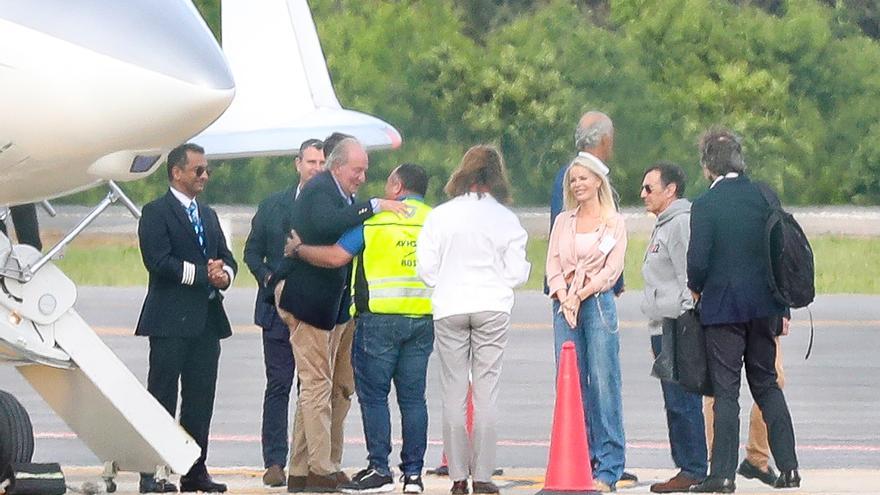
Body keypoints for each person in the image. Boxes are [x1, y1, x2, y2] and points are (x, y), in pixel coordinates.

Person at [286, 164, 433, 494]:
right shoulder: (434, 221)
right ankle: (414, 475)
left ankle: (379, 468)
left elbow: (337, 256)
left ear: (395, 185)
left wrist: (299, 250)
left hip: (378, 318)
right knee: (413, 399)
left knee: (374, 397)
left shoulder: (376, 220)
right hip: (422, 318)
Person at [687, 128, 799, 493]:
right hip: (765, 306)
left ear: (707, 167)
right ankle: (790, 468)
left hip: (723, 310)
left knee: (726, 392)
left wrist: (697, 288)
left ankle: (721, 475)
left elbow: (698, 264)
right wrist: (782, 305)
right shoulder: (765, 196)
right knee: (766, 385)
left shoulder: (705, 205)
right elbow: (780, 252)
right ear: (740, 160)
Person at [417, 145, 530, 495]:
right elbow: (516, 273)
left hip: (450, 305)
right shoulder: (506, 219)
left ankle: (457, 477)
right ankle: (482, 476)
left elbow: (426, 269)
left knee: (453, 392)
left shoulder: (441, 216)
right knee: (485, 392)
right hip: (491, 305)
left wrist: (447, 282)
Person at [135, 143, 236, 493]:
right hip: (169, 320)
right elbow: (158, 262)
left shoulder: (207, 215)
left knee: (200, 398)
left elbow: (225, 258)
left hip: (206, 321)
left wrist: (224, 276)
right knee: (161, 396)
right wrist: (201, 274)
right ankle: (154, 472)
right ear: (176, 172)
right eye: (198, 170)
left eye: (206, 170)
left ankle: (194, 469)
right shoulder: (155, 212)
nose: (204, 175)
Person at [243, 138, 325, 486]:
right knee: (279, 384)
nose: (316, 169)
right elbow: (251, 252)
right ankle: (274, 461)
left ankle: (303, 463)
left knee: (312, 389)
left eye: (322, 163)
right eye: (311, 162)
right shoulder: (273, 205)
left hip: (316, 311)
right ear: (298, 163)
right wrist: (268, 281)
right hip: (276, 311)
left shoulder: (330, 208)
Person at [545, 153, 627, 493]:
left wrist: (583, 293)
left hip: (597, 301)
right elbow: (551, 262)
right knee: (572, 381)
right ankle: (583, 455)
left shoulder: (613, 222)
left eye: (583, 178)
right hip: (564, 303)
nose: (578, 184)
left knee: (604, 379)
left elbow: (612, 269)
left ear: (597, 182)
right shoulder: (563, 221)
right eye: (573, 180)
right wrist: (564, 294)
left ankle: (610, 464)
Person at [638, 163, 707, 493]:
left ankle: (693, 467)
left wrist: (683, 321)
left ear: (671, 190)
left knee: (682, 401)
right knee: (674, 400)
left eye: (649, 188)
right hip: (662, 324)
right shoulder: (663, 224)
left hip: (674, 325)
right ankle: (688, 465)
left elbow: (688, 276)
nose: (643, 195)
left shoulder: (679, 223)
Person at [703, 328, 789, 488]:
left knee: (774, 381)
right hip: (723, 317)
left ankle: (757, 457)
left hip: (760, 317)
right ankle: (719, 460)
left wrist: (783, 312)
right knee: (716, 388)